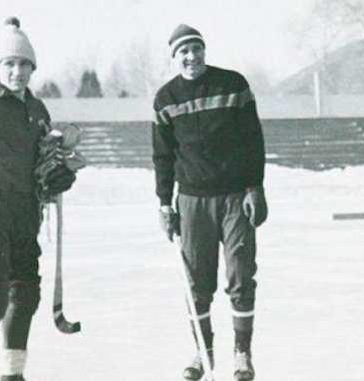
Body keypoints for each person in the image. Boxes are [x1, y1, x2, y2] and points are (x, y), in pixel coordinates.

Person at [152, 24, 267, 381]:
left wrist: (254, 188)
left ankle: (242, 353)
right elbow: (162, 156)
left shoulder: (233, 85)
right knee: (197, 282)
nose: (191, 56)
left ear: (204, 50)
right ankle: (203, 352)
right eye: (183, 51)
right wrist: (164, 204)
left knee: (240, 275)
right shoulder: (165, 98)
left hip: (235, 198)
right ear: (174, 57)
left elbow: (253, 140)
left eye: (195, 49)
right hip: (191, 202)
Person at [0, 17, 76, 381]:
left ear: (32, 68)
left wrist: (58, 176)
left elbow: (45, 165)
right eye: (9, 64)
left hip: (26, 211)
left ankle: (11, 374)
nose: (17, 71)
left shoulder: (37, 110)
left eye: (23, 64)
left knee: (25, 293)